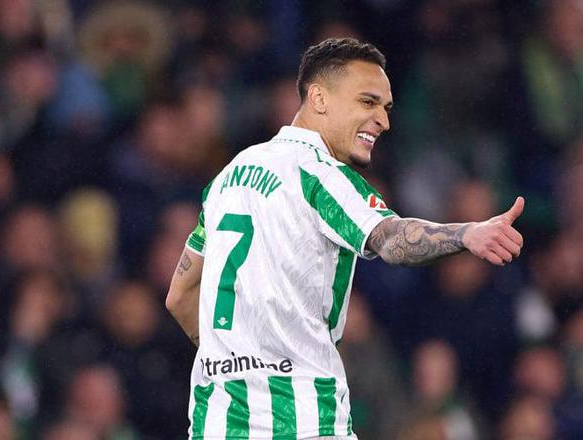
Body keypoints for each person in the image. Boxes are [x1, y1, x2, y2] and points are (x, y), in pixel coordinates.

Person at [166, 37, 525, 439]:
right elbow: (390, 238)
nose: (383, 121)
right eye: (367, 102)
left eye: (386, 108)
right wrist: (467, 233)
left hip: (215, 421)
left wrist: (237, 361)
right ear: (319, 97)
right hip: (304, 423)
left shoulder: (228, 178)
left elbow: (180, 295)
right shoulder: (320, 174)